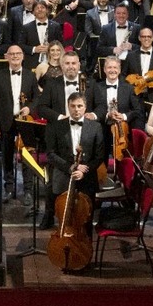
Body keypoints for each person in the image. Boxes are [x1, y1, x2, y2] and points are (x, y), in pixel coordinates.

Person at [40, 92, 102, 231]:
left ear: (85, 107)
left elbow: (99, 156)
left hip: (87, 178)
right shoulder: (56, 126)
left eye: (80, 106)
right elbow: (50, 154)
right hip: (63, 176)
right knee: (64, 219)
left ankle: (85, 250)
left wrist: (84, 170)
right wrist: (70, 168)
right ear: (68, 107)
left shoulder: (96, 127)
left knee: (86, 220)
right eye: (73, 106)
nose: (76, 109)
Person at [0, 45, 38, 198]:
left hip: (25, 122)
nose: (15, 56)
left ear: (23, 56)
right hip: (6, 121)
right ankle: (9, 188)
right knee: (7, 156)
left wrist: (29, 108)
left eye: (18, 54)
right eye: (12, 54)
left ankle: (28, 190)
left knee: (27, 156)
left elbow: (37, 98)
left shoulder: (30, 75)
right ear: (7, 56)